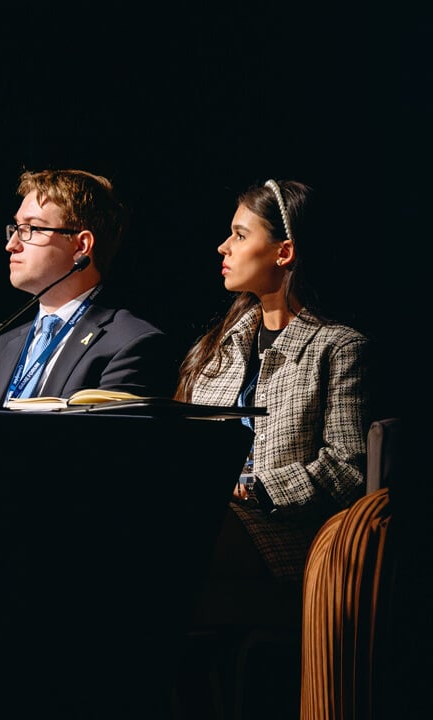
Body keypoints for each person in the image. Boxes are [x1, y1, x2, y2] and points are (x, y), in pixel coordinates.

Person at [178, 178, 369, 585]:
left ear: (284, 252)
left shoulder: (337, 348)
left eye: (240, 235)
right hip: (211, 518)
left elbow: (349, 467)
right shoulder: (218, 350)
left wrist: (254, 488)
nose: (223, 247)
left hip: (291, 537)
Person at [0, 168, 178, 404]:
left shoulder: (131, 343)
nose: (12, 244)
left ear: (81, 246)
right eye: (16, 228)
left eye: (31, 229)